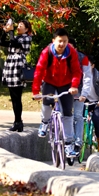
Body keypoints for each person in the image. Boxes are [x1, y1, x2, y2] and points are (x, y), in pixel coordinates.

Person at [32, 28, 82, 158]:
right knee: (47, 101)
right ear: (53, 41)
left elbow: (77, 71)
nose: (62, 44)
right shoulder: (46, 52)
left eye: (65, 41)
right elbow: (38, 71)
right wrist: (36, 91)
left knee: (67, 112)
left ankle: (69, 145)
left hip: (66, 84)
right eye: (60, 41)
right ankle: (44, 123)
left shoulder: (71, 52)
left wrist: (74, 86)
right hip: (49, 81)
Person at [0, 19, 33, 132]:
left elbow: (14, 43)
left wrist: (11, 32)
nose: (18, 27)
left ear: (27, 29)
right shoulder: (15, 37)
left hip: (18, 66)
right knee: (13, 97)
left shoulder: (27, 38)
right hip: (10, 66)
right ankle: (17, 122)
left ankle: (18, 122)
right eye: (18, 25)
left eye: (21, 25)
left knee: (17, 96)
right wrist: (5, 31)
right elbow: (1, 42)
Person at [78, 55, 99, 152]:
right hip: (85, 101)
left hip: (98, 102)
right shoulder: (80, 75)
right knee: (78, 117)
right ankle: (78, 140)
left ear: (93, 66)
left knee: (96, 119)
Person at [69, 38, 91, 154]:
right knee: (67, 116)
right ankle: (68, 140)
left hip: (79, 91)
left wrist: (84, 94)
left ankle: (78, 142)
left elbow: (87, 77)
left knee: (77, 116)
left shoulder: (82, 59)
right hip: (65, 90)